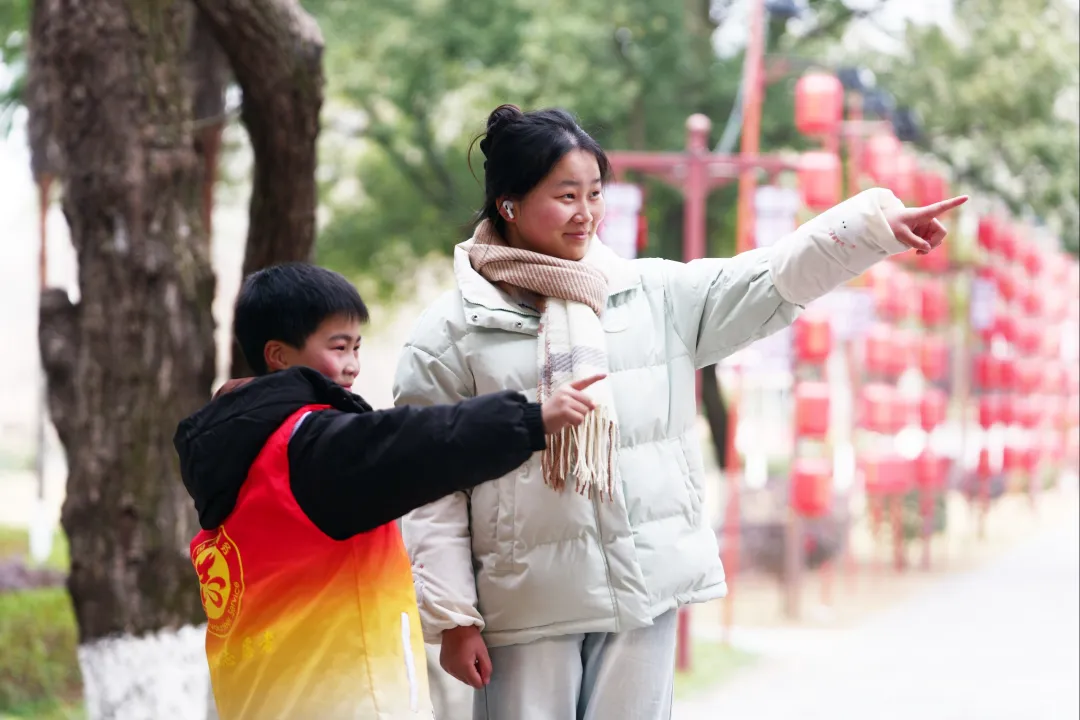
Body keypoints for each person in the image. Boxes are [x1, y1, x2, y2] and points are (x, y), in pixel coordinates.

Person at [393, 104, 967, 720]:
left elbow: (768, 277)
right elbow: (430, 485)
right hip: (527, 606)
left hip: (644, 588)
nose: (586, 213)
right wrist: (454, 618)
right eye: (565, 196)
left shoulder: (650, 295)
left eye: (594, 193)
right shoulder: (450, 332)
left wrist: (874, 228)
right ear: (508, 204)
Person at [173, 262, 601, 720]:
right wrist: (530, 420)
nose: (353, 365)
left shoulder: (238, 459)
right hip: (344, 700)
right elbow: (418, 442)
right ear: (278, 355)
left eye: (357, 346)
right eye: (338, 348)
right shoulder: (309, 448)